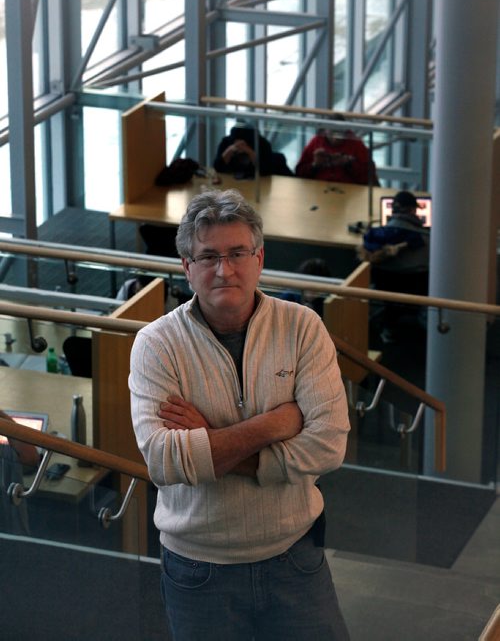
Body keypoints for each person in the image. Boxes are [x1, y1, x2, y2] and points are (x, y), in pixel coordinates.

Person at [129, 189, 351, 641]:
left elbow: (328, 446)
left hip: (295, 556)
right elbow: (163, 461)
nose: (224, 269)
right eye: (207, 256)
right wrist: (274, 424)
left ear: (259, 258)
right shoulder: (155, 345)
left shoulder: (303, 327)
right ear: (186, 268)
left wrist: (208, 440)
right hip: (198, 570)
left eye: (237, 253)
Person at [358, 190, 430, 341]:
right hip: (417, 291)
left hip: (385, 289)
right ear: (412, 210)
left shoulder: (373, 236)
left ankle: (387, 325)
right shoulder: (427, 239)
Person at [295, 115, 376, 185]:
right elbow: (299, 173)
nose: (336, 137)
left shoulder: (356, 144)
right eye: (332, 132)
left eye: (340, 133)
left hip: (349, 190)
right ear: (325, 131)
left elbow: (369, 177)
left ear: (345, 131)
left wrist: (349, 164)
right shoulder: (316, 142)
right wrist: (315, 164)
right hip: (318, 188)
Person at [213, 123, 292, 178]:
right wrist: (229, 151)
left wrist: (249, 152)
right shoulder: (226, 142)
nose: (240, 146)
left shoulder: (262, 144)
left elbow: (266, 171)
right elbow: (218, 168)